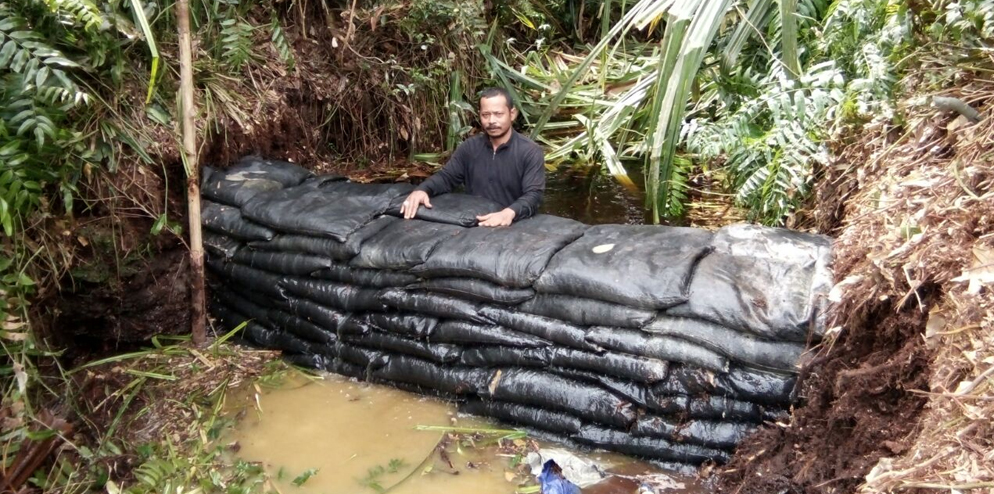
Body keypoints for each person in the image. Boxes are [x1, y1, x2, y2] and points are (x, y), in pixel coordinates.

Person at [399, 87, 545, 227]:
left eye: (498, 114)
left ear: (512, 114)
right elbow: (447, 177)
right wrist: (422, 190)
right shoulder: (470, 148)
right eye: (485, 115)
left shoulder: (530, 151)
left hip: (512, 225)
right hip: (474, 224)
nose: (491, 121)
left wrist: (508, 213)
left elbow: (534, 195)